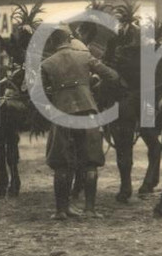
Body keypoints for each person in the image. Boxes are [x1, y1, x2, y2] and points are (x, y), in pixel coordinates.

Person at [40, 27, 121, 220]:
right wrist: (91, 83)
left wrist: (55, 91)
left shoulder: (47, 63)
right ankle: (90, 209)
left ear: (52, 43)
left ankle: (61, 210)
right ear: (69, 40)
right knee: (90, 162)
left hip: (62, 114)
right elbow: (112, 76)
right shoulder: (85, 57)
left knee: (61, 163)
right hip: (87, 112)